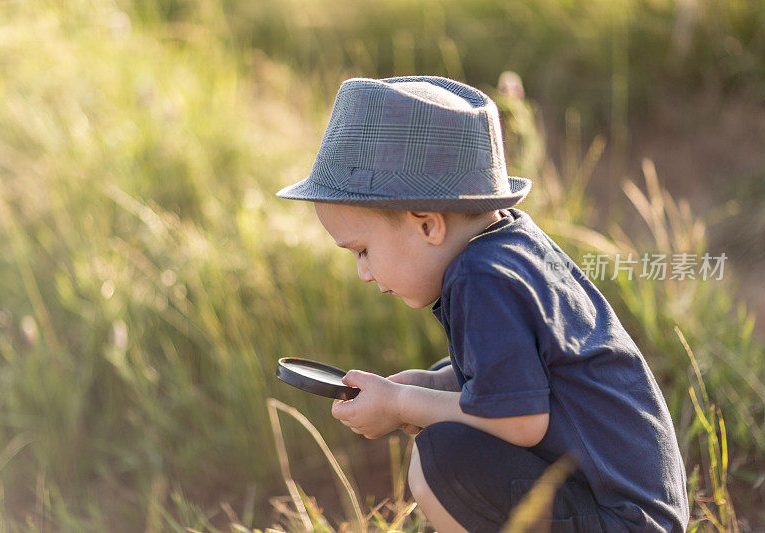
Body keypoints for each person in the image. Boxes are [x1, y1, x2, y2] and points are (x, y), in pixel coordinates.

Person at [276, 76, 689, 532]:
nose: (364, 273)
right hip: (636, 513)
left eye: (362, 251)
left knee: (441, 458)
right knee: (453, 379)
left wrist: (399, 403)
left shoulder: (480, 278)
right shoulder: (511, 246)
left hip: (619, 521)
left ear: (428, 226)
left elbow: (519, 421)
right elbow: (531, 367)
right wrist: (432, 383)